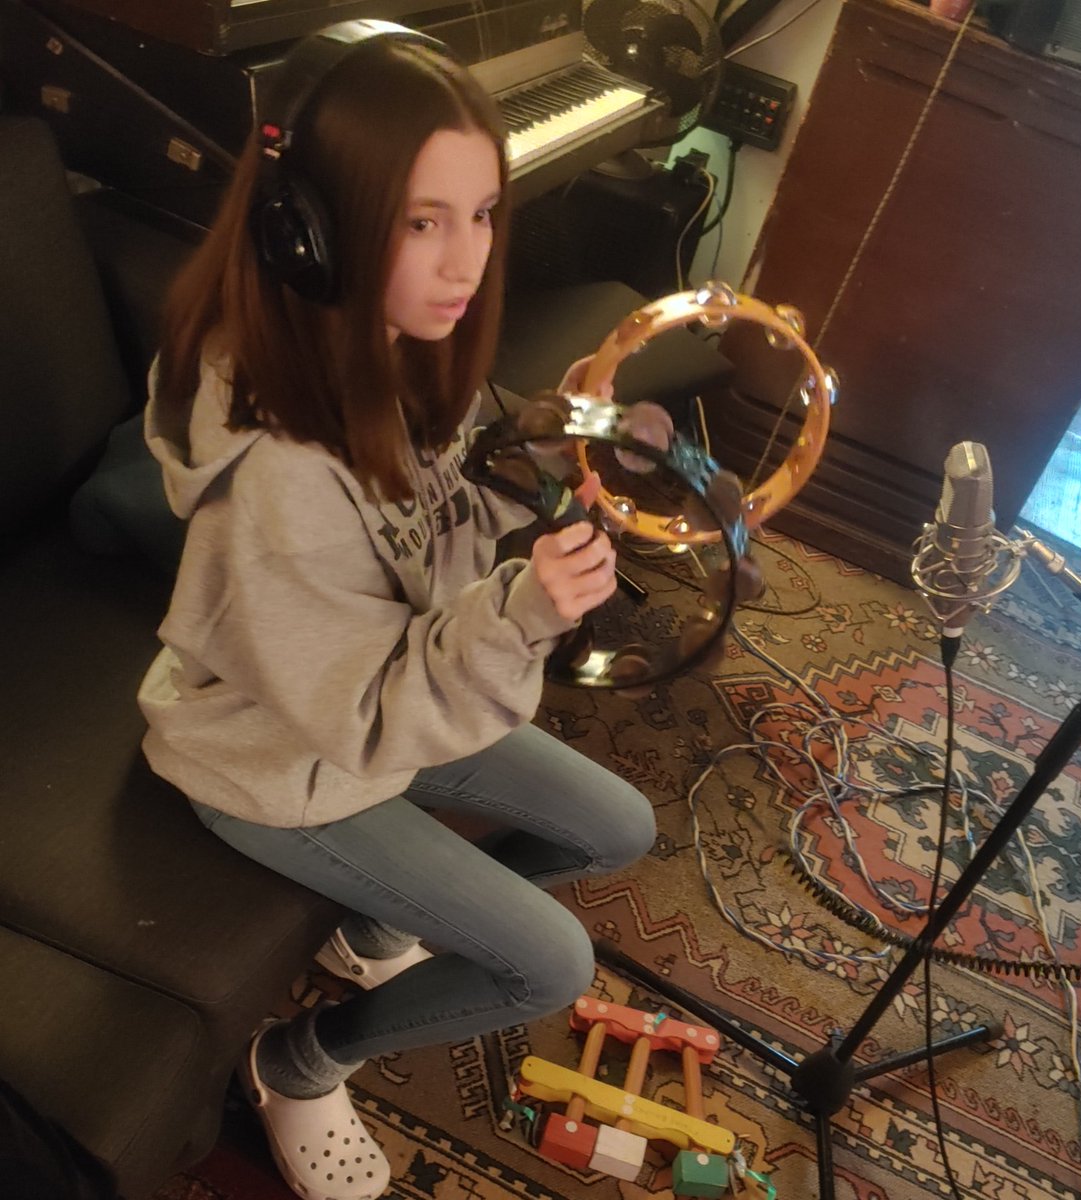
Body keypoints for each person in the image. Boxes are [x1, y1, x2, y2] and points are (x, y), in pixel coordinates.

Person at [137, 21, 661, 1200]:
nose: (466, 260)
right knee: (551, 965)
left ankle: (368, 928)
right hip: (275, 762)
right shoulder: (281, 472)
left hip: (375, 691)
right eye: (424, 222)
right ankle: (297, 1061)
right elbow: (366, 723)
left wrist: (545, 442)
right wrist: (520, 612)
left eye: (482, 214)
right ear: (311, 232)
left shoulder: (397, 345)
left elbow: (434, 521)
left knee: (617, 826)